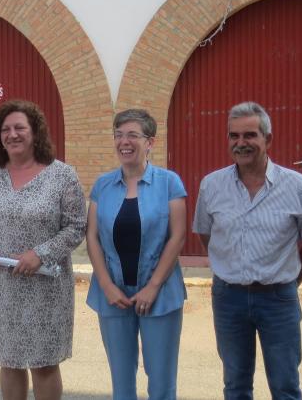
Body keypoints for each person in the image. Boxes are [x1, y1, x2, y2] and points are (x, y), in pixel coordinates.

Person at [192, 101, 302, 400]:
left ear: (268, 139)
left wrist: (291, 280)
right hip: (229, 298)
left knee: (285, 386)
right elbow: (207, 235)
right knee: (236, 385)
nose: (241, 143)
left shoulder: (299, 186)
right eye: (234, 136)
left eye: (250, 135)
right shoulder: (211, 185)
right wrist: (233, 265)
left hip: (278, 299)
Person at [0, 99, 87, 400]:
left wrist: (39, 254)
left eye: (19, 127)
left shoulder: (62, 175)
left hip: (45, 288)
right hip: (0, 287)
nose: (12, 134)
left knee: (43, 364)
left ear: (35, 132)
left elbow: (76, 226)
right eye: (5, 129)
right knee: (9, 361)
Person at [85, 109, 188, 400]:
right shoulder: (103, 185)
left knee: (161, 384)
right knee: (121, 384)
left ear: (150, 142)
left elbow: (177, 236)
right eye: (118, 135)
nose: (124, 141)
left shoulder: (169, 182)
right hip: (112, 296)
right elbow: (91, 236)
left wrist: (153, 286)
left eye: (132, 135)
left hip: (160, 294)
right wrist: (106, 285)